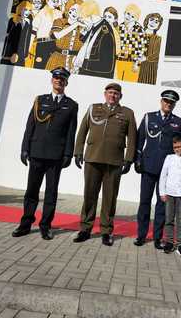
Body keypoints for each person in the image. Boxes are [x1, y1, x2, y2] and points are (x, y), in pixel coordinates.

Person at [12, 67, 78, 240]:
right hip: (36, 152)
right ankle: (25, 224)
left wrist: (68, 154)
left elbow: (72, 132)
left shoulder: (71, 105)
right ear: (52, 81)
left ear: (66, 83)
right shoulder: (40, 101)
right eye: (56, 78)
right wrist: (24, 149)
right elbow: (30, 127)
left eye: (62, 79)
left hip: (56, 157)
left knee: (51, 193)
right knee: (31, 191)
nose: (59, 81)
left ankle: (46, 225)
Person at [73, 83, 137, 245]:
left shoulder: (127, 113)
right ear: (105, 94)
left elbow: (132, 139)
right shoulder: (93, 108)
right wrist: (78, 151)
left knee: (110, 198)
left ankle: (106, 231)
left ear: (120, 96)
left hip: (114, 161)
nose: (112, 95)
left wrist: (129, 159)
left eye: (116, 93)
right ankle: (85, 229)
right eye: (110, 92)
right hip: (92, 158)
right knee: (89, 195)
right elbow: (82, 131)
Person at [134, 90, 181, 249]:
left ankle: (157, 238)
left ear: (174, 105)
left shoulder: (178, 122)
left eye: (171, 102)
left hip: (166, 170)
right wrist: (137, 158)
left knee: (162, 205)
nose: (168, 104)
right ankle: (141, 235)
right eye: (166, 101)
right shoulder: (149, 117)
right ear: (161, 101)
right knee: (144, 202)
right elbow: (140, 139)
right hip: (148, 166)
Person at [45, 0, 84, 71]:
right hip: (57, 59)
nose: (75, 13)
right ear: (67, 9)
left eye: (78, 11)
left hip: (74, 62)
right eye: (72, 10)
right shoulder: (60, 21)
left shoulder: (83, 26)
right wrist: (76, 24)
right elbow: (56, 36)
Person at [116, 4, 147, 82]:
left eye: (133, 16)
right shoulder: (120, 27)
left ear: (136, 19)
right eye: (128, 14)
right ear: (124, 12)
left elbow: (142, 48)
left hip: (132, 63)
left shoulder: (139, 30)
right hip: (119, 61)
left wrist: (137, 63)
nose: (129, 17)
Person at [0, 1, 33, 66]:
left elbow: (27, 38)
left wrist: (25, 54)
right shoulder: (12, 20)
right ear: (20, 9)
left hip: (21, 53)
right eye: (25, 9)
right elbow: (6, 35)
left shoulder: (28, 23)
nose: (27, 12)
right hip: (9, 51)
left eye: (29, 10)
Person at [138, 13, 163, 85]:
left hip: (149, 67)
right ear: (147, 21)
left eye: (156, 22)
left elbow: (156, 54)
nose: (153, 23)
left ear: (158, 25)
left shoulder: (158, 39)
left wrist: (146, 58)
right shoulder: (139, 34)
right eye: (151, 20)